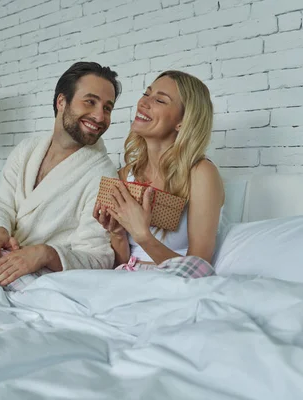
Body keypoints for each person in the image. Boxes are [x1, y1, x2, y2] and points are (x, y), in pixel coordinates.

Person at [0, 61, 122, 289]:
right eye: (90, 102)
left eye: (107, 108)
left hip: (46, 284)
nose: (100, 116)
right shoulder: (27, 149)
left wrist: (44, 254)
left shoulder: (104, 176)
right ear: (61, 101)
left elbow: (99, 258)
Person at [93, 70, 224, 278]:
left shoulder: (201, 174)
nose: (143, 103)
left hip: (175, 283)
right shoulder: (126, 174)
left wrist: (142, 235)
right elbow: (122, 263)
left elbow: (199, 270)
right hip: (126, 278)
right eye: (146, 94)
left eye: (160, 100)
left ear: (182, 122)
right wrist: (117, 233)